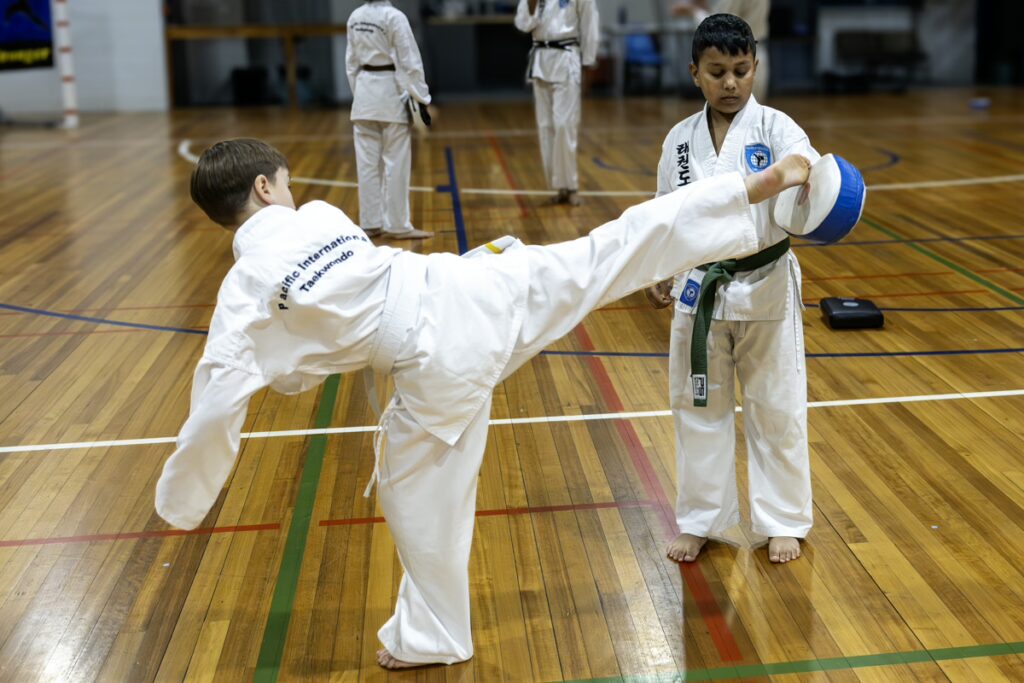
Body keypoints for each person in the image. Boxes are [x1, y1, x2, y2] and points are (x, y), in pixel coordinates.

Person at [156, 138, 811, 668]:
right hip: (475, 283)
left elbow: (216, 397)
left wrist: (185, 496)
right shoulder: (322, 216)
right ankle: (746, 192)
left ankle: (434, 633)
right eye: (286, 182)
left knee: (413, 494)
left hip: (437, 358)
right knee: (611, 249)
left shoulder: (243, 289)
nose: (294, 192)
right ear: (267, 189)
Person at [646, 13, 815, 565]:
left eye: (741, 71)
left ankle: (783, 520)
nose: (730, 83)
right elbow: (666, 217)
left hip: (765, 283)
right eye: (717, 72)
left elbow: (809, 178)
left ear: (755, 68)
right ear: (694, 72)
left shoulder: (778, 129)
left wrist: (809, 180)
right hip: (700, 290)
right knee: (698, 407)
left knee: (777, 407)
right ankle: (701, 520)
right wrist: (662, 272)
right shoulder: (679, 142)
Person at [346, 0, 433, 240]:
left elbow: (351, 62)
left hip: (364, 95)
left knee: (367, 165)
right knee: (396, 163)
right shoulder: (394, 17)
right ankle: (398, 225)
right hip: (390, 93)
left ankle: (371, 223)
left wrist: (360, 93)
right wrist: (422, 97)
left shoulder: (355, 16)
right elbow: (410, 62)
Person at [514, 0, 599, 206]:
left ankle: (571, 186)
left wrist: (588, 63)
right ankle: (558, 186)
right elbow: (522, 24)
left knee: (564, 125)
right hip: (541, 58)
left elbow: (589, 24)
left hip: (567, 58)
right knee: (546, 127)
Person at [671, 0, 770, 101]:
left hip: (738, 54)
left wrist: (694, 10)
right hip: (752, 51)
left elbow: (719, 29)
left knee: (736, 110)